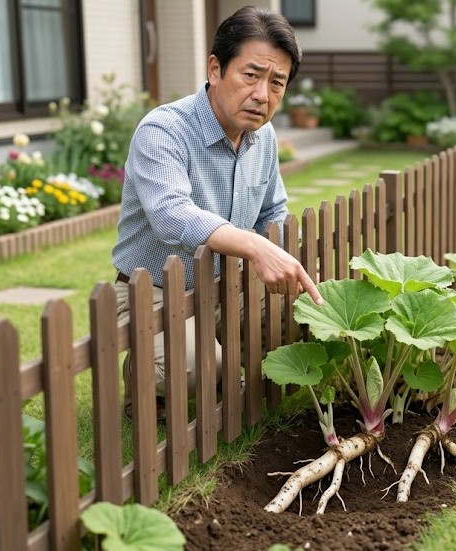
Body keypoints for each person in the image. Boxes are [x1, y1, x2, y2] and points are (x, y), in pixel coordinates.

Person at [112, 5, 323, 420]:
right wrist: (254, 247)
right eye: (251, 75)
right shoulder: (164, 130)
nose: (262, 94)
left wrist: (280, 252)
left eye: (276, 82)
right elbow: (171, 214)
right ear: (215, 69)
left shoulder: (262, 138)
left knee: (305, 322)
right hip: (152, 291)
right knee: (198, 367)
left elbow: (272, 209)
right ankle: (148, 374)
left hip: (228, 287)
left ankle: (219, 358)